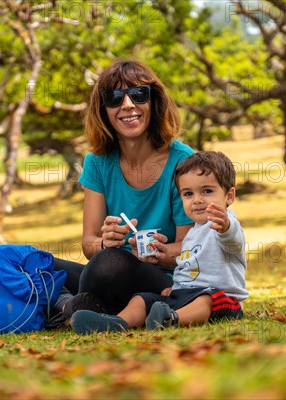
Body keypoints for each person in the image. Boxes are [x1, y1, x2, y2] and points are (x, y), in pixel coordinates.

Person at [52, 60, 195, 319]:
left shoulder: (183, 162)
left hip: (164, 281)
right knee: (37, 264)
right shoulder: (97, 161)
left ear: (154, 102)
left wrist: (158, 253)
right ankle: (79, 306)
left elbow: (191, 249)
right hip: (104, 274)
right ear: (103, 109)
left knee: (109, 263)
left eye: (139, 94)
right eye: (115, 98)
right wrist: (105, 241)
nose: (128, 105)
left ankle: (69, 306)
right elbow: (89, 242)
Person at [69, 151, 248, 333]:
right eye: (188, 194)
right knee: (142, 299)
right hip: (185, 294)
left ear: (229, 196)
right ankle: (116, 322)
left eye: (207, 191)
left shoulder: (225, 225)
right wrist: (176, 288)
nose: (197, 200)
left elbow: (233, 239)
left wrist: (225, 225)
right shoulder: (194, 232)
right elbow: (186, 266)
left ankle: (172, 319)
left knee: (206, 299)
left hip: (223, 300)